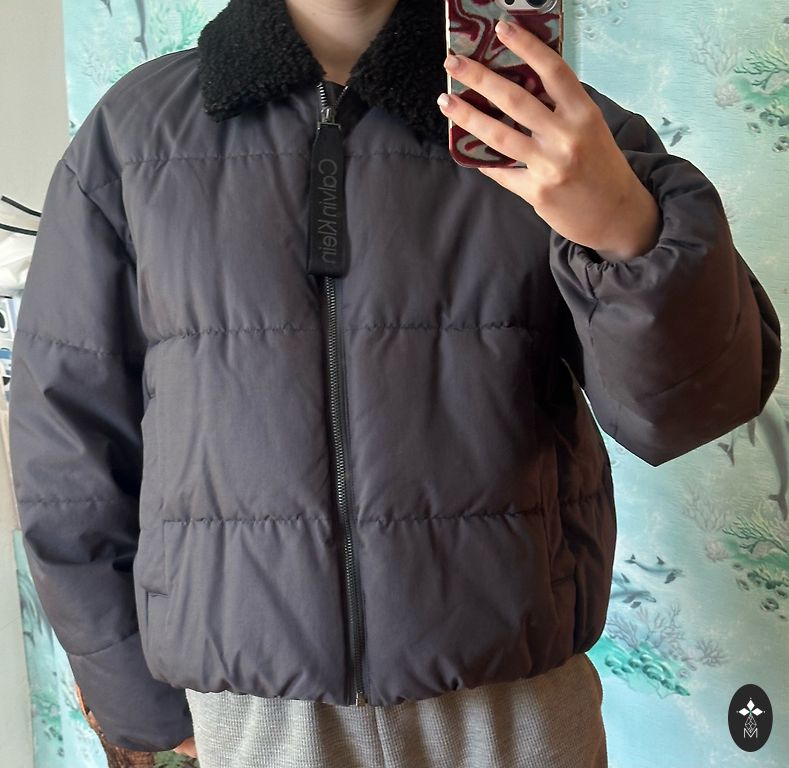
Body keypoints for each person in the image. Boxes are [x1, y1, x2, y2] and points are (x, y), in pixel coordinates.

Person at [7, 0, 781, 766]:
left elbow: (687, 406)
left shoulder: (545, 123)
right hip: (258, 710)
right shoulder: (134, 135)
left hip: (513, 701)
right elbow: (67, 434)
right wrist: (131, 691)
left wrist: (625, 233)